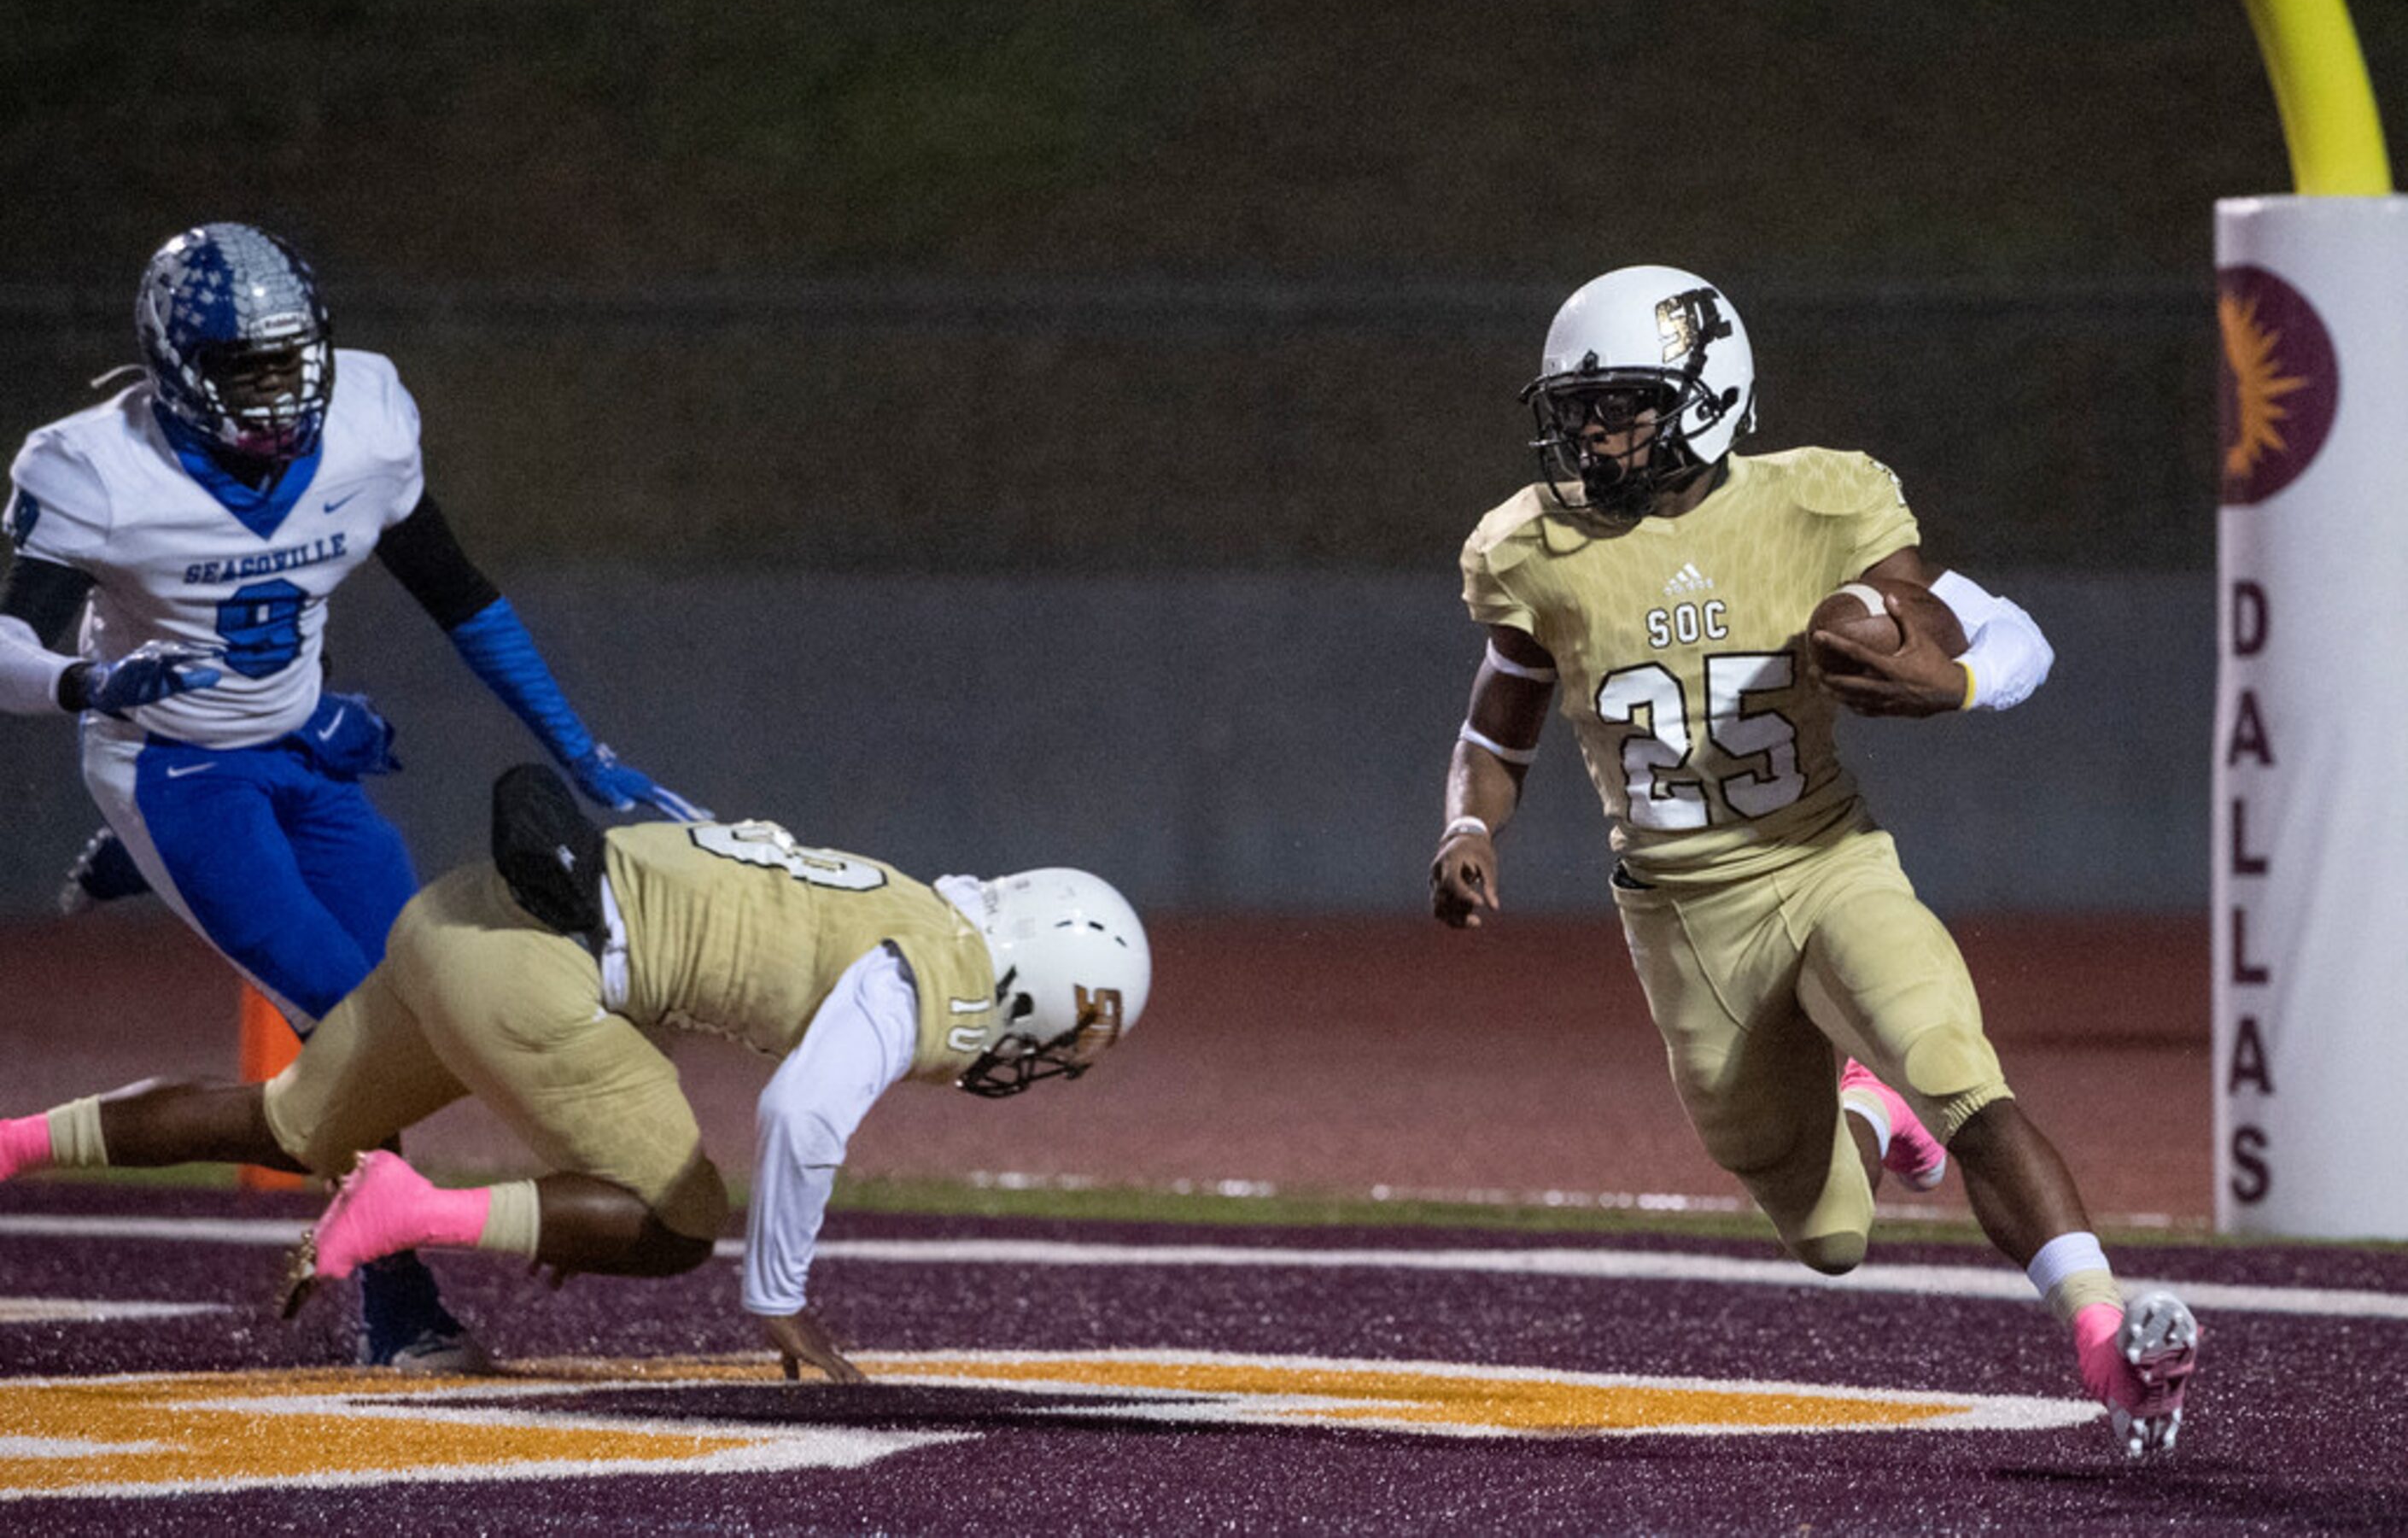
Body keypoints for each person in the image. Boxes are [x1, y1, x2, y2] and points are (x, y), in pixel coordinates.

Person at [1426, 265, 2199, 1460]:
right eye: (1578, 409)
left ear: (1710, 394)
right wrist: (1469, 826)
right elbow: (1498, 723)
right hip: (1684, 918)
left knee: (1962, 1070)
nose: (1591, 433)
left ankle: (2112, 1340)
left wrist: (1959, 679)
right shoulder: (1535, 551)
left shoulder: (1820, 502)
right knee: (1830, 1237)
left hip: (1829, 858)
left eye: (1621, 404)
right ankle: (1866, 1112)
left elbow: (2012, 630)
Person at [0, 222, 703, 1370]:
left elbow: (461, 596)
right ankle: (396, 1294)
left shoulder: (366, 424)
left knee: (429, 986)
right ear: (178, 368)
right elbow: (5, 643)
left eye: (294, 359)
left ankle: (152, 870)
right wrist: (85, 679)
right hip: (170, 764)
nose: (280, 393)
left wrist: (580, 746)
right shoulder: (94, 465)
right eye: (247, 368)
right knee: (348, 1016)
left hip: (303, 749)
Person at [0, 765, 1151, 1382]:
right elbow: (801, 1112)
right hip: (537, 966)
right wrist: (782, 1299)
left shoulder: (904, 896)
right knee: (679, 1220)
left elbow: (710, 956)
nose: (1043, 1060)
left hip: (456, 916)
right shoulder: (942, 977)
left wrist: (568, 1204)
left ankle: (11, 1143)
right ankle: (413, 1206)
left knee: (283, 1118)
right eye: (1062, 1036)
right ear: (1041, 981)